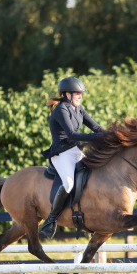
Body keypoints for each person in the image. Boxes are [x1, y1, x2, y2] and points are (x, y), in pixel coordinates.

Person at [39, 76, 104, 239]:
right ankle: (51, 219)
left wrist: (112, 135)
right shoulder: (61, 110)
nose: (80, 97)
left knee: (95, 174)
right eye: (77, 94)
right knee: (68, 184)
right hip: (62, 153)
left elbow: (95, 127)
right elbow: (72, 134)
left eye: (81, 94)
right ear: (67, 94)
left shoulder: (79, 109)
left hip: (75, 151)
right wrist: (95, 137)